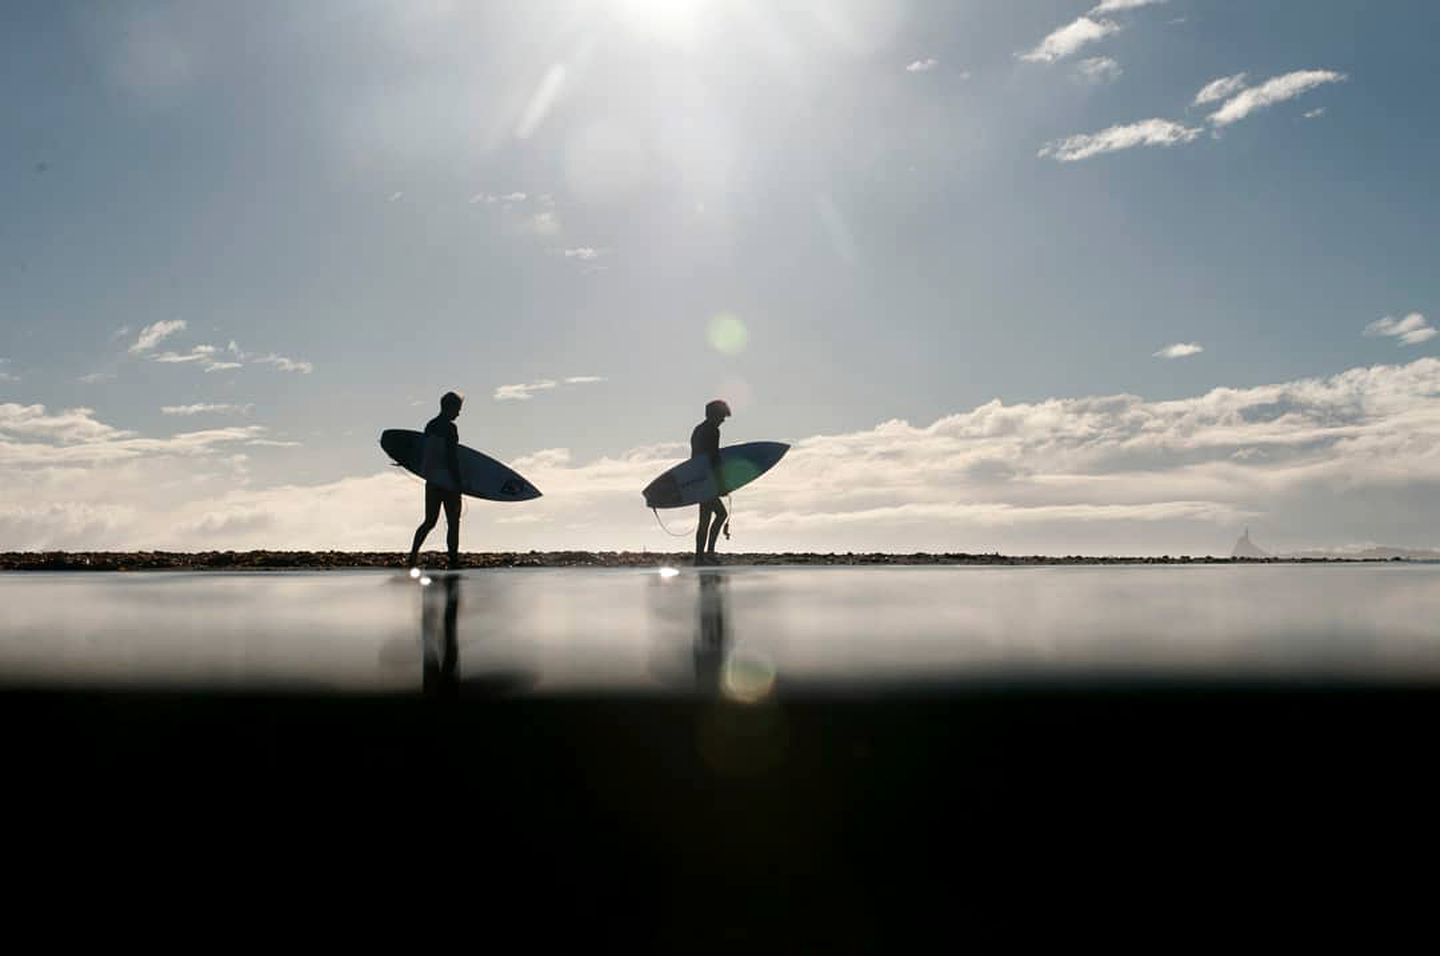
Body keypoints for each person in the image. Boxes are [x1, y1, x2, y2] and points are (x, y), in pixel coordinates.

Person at [408, 391, 465, 570]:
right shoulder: (450, 428)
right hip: (447, 482)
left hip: (432, 481)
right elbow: (451, 457)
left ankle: (413, 556)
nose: (458, 413)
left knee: (430, 521)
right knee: (453, 522)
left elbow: (426, 453)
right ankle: (453, 560)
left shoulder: (430, 425)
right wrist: (458, 482)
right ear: (449, 408)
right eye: (457, 409)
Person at [691, 399, 731, 566]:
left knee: (705, 519)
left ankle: (700, 557)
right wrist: (721, 484)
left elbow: (696, 457)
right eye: (722, 416)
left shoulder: (698, 429)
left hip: (698, 478)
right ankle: (709, 554)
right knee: (721, 514)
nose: (723, 420)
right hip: (707, 480)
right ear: (715, 415)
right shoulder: (712, 430)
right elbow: (714, 458)